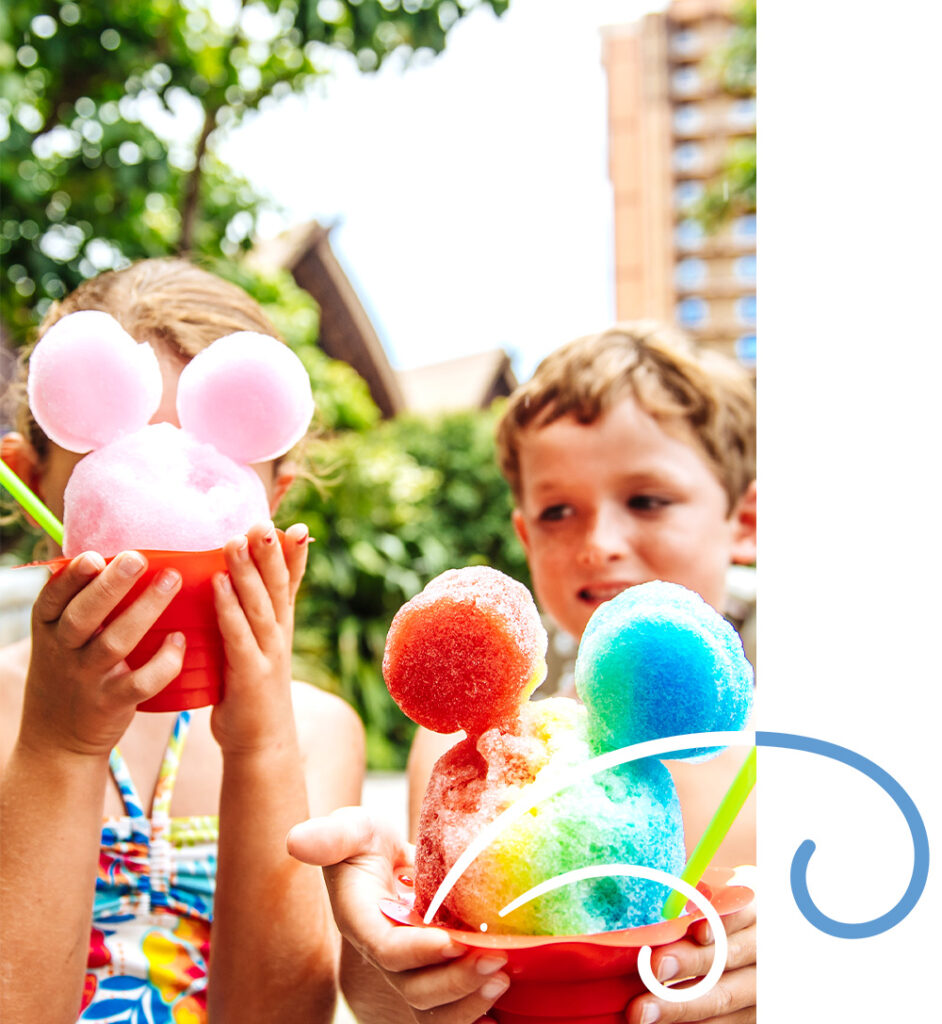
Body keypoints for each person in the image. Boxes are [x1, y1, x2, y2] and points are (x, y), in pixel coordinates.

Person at [289, 321, 757, 1024]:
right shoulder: (469, 761)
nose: (598, 544)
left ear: (746, 519)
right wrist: (381, 954)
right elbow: (400, 1001)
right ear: (524, 536)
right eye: (558, 511)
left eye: (648, 500)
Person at [0, 259, 365, 1023]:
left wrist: (261, 744)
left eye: (206, 477)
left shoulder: (316, 734)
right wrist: (58, 749)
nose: (163, 513)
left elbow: (284, 1016)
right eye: (121, 469)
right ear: (33, 484)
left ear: (274, 505)